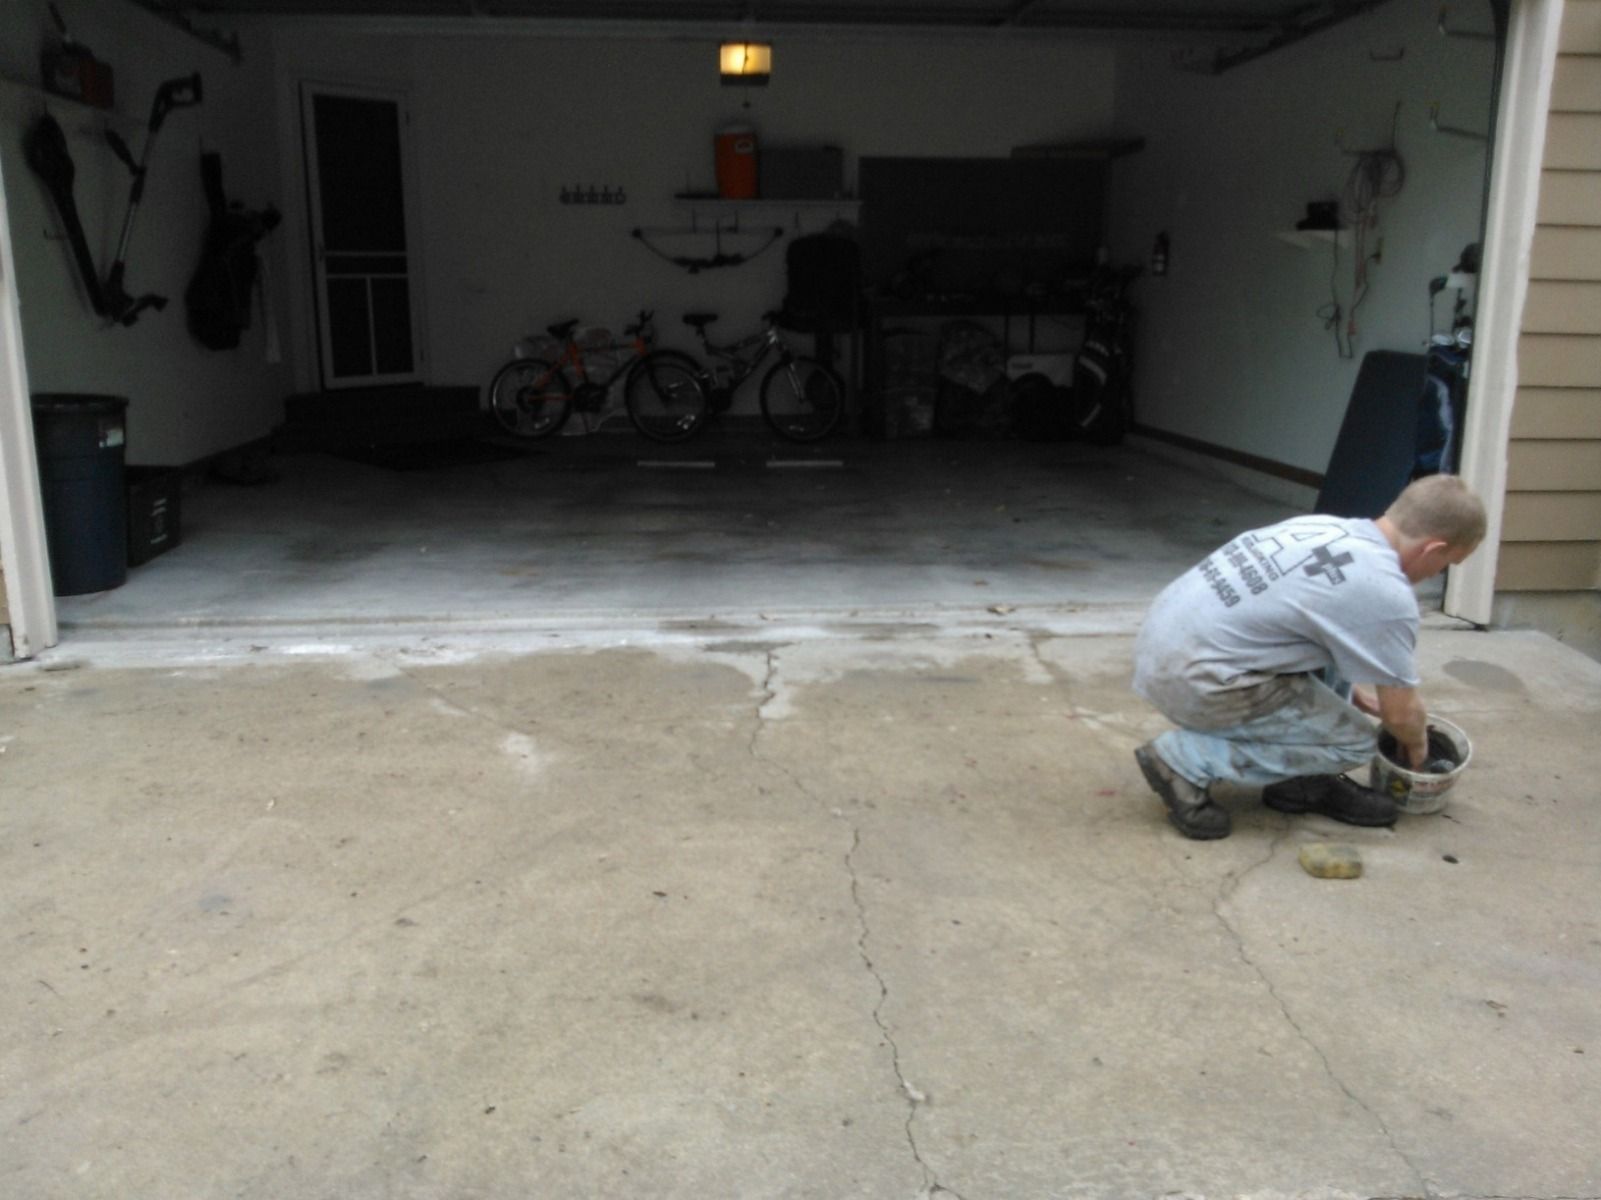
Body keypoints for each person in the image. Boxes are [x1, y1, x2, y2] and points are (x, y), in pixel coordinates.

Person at [1131, 474, 1486, 840]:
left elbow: (1304, 623)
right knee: (1355, 742)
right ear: (1432, 549)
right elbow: (1401, 715)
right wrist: (1418, 747)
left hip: (1162, 653)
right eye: (1446, 564)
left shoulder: (1323, 528)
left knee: (1335, 641)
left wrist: (1351, 698)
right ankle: (1182, 760)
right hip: (1195, 682)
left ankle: (1302, 782)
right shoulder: (1385, 591)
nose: (1436, 574)